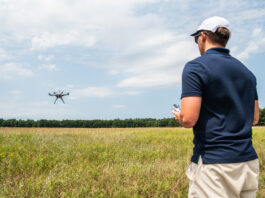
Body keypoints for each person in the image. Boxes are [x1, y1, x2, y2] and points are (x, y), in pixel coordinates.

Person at [172, 16, 260, 198]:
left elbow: (189, 119)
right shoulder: (247, 73)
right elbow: (254, 118)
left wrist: (180, 116)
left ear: (203, 36)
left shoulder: (195, 68)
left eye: (196, 38)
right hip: (248, 163)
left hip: (214, 165)